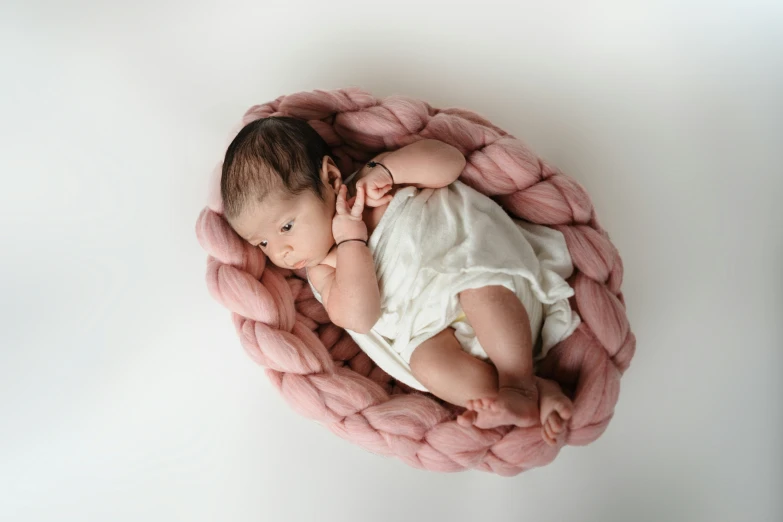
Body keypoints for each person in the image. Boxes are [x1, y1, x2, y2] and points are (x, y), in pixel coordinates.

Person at [220, 116, 580, 444]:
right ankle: (524, 393)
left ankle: (518, 381)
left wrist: (388, 169)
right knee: (427, 363)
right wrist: (351, 242)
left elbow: (449, 163)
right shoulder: (323, 269)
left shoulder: (368, 185)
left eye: (286, 226)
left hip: (476, 276)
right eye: (263, 243)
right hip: (438, 335)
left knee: (478, 289)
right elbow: (360, 317)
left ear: (331, 180)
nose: (281, 251)